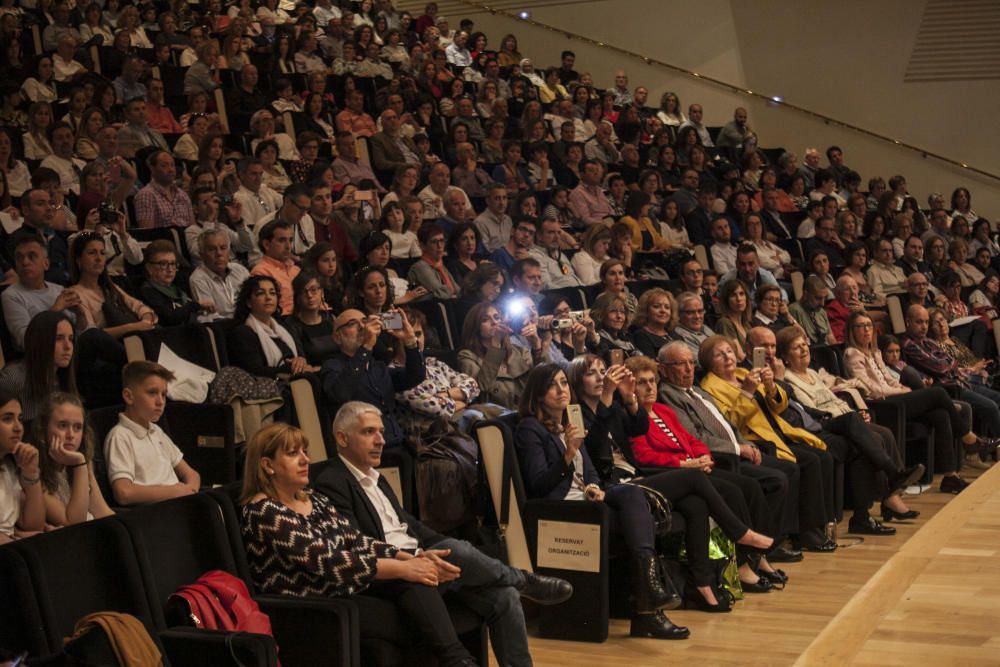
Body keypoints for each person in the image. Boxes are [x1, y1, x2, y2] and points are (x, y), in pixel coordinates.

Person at [314, 401, 572, 666]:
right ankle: (523, 579)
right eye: (369, 432)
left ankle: (517, 592)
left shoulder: (376, 477)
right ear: (342, 438)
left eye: (381, 432)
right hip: (392, 574)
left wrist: (434, 550)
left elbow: (409, 525)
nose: (381, 440)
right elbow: (356, 543)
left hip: (420, 557)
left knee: (503, 596)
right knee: (459, 551)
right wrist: (419, 557)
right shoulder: (331, 480)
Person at [239, 422, 480, 667]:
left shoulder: (314, 499)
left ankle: (460, 661)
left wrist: (409, 558)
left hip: (343, 590)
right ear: (267, 465)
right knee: (417, 620)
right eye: (293, 454)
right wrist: (401, 568)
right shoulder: (264, 512)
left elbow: (355, 540)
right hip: (309, 608)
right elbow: (327, 562)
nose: (305, 460)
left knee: (417, 591)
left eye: (305, 451)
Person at [514, 363, 689, 639]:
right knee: (637, 522)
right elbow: (538, 485)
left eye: (563, 383)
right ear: (537, 394)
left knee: (633, 495)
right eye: (552, 385)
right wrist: (568, 454)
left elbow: (591, 471)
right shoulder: (529, 429)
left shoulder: (570, 422)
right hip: (562, 508)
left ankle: (650, 596)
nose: (561, 390)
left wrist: (595, 487)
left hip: (588, 499)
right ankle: (649, 607)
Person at [625, 355, 783, 594]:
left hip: (697, 467)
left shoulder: (663, 410)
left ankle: (757, 557)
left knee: (750, 486)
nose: (649, 387)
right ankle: (741, 564)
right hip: (674, 473)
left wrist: (703, 456)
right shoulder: (633, 418)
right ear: (630, 388)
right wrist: (685, 463)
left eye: (652, 381)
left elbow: (692, 439)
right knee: (733, 491)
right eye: (641, 382)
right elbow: (644, 456)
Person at [775, 327, 923, 534]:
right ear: (785, 356)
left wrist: (852, 413)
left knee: (880, 435)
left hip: (839, 418)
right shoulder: (788, 378)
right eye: (796, 347)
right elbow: (813, 410)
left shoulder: (811, 373)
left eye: (804, 345)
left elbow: (834, 399)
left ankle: (869, 512)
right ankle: (893, 476)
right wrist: (848, 417)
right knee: (872, 436)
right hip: (824, 424)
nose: (803, 350)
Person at [698, 336, 836, 551]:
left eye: (730, 351)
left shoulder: (744, 374)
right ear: (708, 362)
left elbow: (779, 408)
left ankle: (815, 528)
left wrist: (771, 385)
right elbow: (728, 424)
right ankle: (794, 535)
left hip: (776, 432)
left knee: (821, 457)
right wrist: (748, 392)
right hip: (754, 440)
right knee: (804, 463)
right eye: (719, 354)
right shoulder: (710, 387)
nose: (727, 357)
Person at [843, 310, 985, 496]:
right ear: (852, 331)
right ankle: (968, 436)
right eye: (860, 326)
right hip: (881, 404)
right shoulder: (852, 354)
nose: (866, 330)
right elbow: (873, 389)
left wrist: (901, 387)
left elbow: (888, 379)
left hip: (894, 397)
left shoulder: (874, 352)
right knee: (938, 394)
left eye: (869, 325)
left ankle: (950, 477)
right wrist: (902, 391)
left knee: (940, 414)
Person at [104, 361, 201, 506]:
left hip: (179, 504)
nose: (160, 401)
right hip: (154, 515)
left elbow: (191, 474)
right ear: (128, 396)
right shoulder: (120, 436)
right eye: (152, 393)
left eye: (163, 394)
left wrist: (189, 491)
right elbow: (124, 493)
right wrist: (175, 492)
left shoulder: (157, 431)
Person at [901, 305, 1000, 443]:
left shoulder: (928, 341)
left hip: (963, 381)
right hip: (949, 388)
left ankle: (992, 447)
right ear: (908, 322)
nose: (924, 326)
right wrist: (949, 364)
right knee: (991, 407)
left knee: (998, 397)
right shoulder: (909, 345)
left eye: (926, 322)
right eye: (919, 322)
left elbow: (951, 362)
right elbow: (940, 367)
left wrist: (949, 364)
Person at [32, 392, 114, 526]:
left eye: (77, 427)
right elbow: (73, 522)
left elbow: (102, 512)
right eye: (62, 425)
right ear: (43, 428)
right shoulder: (33, 469)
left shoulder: (82, 460)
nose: (71, 435)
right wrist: (79, 465)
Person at [458, 301, 546, 410]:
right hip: (497, 418)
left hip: (529, 411)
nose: (494, 322)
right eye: (485, 320)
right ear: (475, 327)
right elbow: (480, 390)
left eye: (497, 317)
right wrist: (496, 346)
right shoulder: (467, 356)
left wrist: (537, 345)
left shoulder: (519, 351)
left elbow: (544, 382)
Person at [228, 275, 318, 379]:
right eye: (261, 293)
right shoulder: (242, 333)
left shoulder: (283, 326)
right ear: (248, 302)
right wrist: (289, 368)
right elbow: (254, 370)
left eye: (272, 293)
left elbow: (300, 356)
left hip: (297, 378)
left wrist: (300, 361)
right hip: (273, 386)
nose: (268, 298)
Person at [0, 392, 44, 544]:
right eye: (7, 419)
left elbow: (33, 524)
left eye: (20, 419)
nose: (18, 428)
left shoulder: (9, 466)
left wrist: (31, 472)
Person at [139, 240, 214, 326]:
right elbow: (170, 317)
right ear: (149, 268)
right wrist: (196, 305)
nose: (170, 269)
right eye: (163, 264)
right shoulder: (148, 291)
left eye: (173, 264)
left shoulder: (178, 284)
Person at [189, 229, 250, 322]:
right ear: (202, 255)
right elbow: (210, 317)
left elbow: (255, 300)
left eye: (223, 248)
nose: (219, 253)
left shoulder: (240, 270)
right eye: (212, 249)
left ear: (229, 251)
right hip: (225, 328)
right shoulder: (198, 279)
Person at [283, 271, 337, 367]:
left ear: (322, 293)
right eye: (304, 291)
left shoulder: (331, 318)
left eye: (314, 289)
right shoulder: (292, 324)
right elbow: (302, 361)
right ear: (297, 297)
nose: (309, 295)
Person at [250, 219, 302, 315]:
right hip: (283, 321)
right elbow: (266, 311)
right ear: (266, 244)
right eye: (282, 240)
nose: (288, 246)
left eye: (290, 240)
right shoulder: (261, 272)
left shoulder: (297, 270)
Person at [135, 150, 196, 229]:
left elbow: (193, 228)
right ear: (152, 169)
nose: (170, 170)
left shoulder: (183, 195)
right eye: (164, 166)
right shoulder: (146, 195)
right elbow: (147, 232)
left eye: (172, 165)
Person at [407, 224, 458, 299]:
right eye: (434, 242)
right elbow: (442, 293)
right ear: (422, 246)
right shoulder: (420, 267)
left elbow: (457, 290)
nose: (440, 246)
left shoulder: (440, 265)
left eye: (442, 241)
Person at [632, 288, 677, 358]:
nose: (663, 310)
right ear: (646, 310)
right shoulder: (641, 336)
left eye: (667, 307)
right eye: (656, 306)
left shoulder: (675, 335)